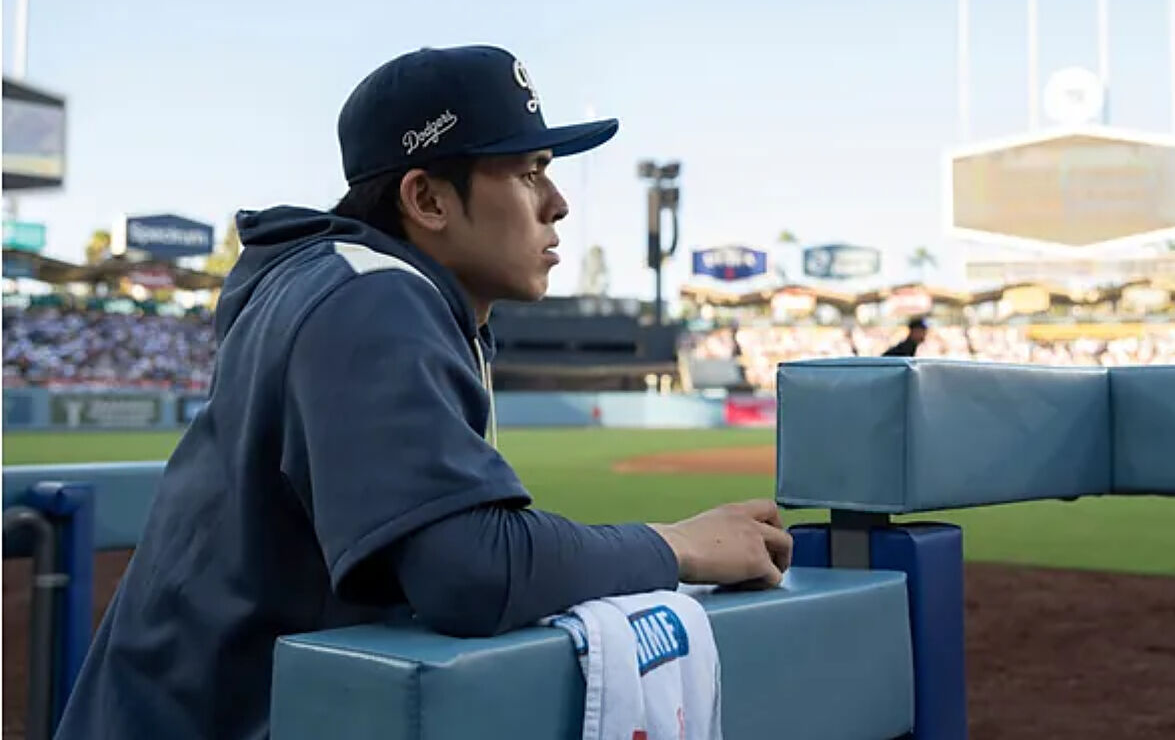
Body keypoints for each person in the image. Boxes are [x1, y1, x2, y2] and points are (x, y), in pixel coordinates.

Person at [55, 45, 792, 740]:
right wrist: (677, 545)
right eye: (529, 172)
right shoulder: (371, 297)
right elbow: (471, 570)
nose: (558, 202)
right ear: (428, 199)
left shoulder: (342, 281)